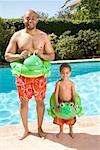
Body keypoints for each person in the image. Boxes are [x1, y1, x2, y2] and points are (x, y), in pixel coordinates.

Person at [5, 9, 55, 140]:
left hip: (39, 76)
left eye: (33, 18)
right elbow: (7, 56)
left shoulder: (43, 36)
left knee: (40, 102)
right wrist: (19, 56)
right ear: (23, 19)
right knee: (23, 102)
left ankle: (40, 128)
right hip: (23, 76)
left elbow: (51, 56)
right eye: (27, 18)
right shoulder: (17, 36)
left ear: (37, 20)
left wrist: (41, 55)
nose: (30, 20)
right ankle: (25, 129)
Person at [53, 63, 76, 138]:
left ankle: (71, 131)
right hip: (61, 103)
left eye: (67, 73)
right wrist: (56, 104)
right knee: (60, 118)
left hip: (69, 103)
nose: (65, 75)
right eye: (62, 73)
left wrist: (75, 104)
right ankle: (61, 131)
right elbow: (55, 94)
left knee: (71, 118)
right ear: (60, 73)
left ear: (70, 73)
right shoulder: (59, 83)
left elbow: (74, 95)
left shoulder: (71, 83)